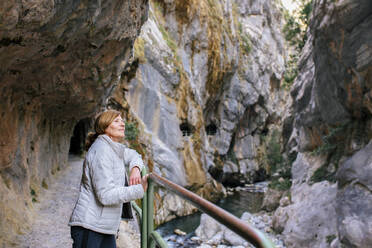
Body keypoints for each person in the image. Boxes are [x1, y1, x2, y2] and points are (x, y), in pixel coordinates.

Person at [69, 109, 148, 248]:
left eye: (122, 120)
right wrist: (139, 189)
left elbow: (134, 155)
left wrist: (135, 168)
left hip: (104, 227)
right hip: (90, 226)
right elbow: (105, 195)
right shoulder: (101, 151)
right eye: (116, 121)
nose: (122, 124)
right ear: (105, 126)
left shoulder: (113, 148)